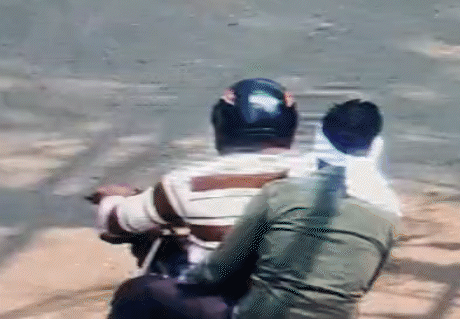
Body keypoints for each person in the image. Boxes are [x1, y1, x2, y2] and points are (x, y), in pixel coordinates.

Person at [111, 99, 401, 319]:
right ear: (375, 147)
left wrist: (184, 278)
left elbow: (217, 270)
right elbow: (362, 285)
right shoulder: (388, 215)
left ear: (319, 139)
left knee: (141, 292)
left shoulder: (281, 192)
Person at [92, 78, 300, 315]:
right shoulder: (316, 177)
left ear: (221, 127)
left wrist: (114, 199)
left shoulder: (188, 182)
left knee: (137, 290)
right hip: (302, 304)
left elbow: (114, 223)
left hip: (225, 306)